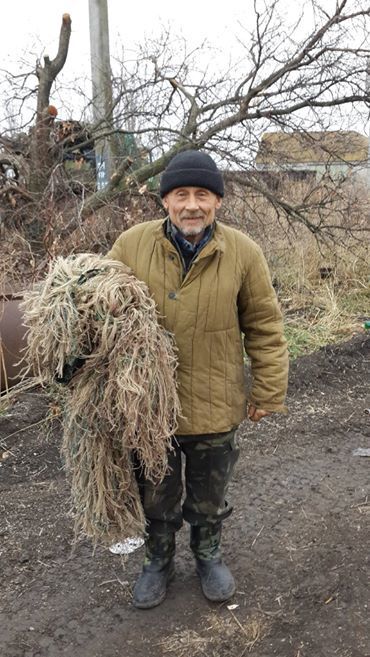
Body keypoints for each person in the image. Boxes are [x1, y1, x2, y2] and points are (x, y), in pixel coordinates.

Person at [107, 150, 288, 609]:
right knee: (156, 495)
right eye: (181, 194)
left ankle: (208, 554)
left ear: (217, 202)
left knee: (209, 496)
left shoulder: (243, 252)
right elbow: (98, 309)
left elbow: (264, 326)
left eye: (202, 195)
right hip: (150, 409)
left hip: (214, 401)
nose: (192, 205)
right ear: (165, 200)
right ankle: (158, 561)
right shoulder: (130, 245)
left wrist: (267, 390)